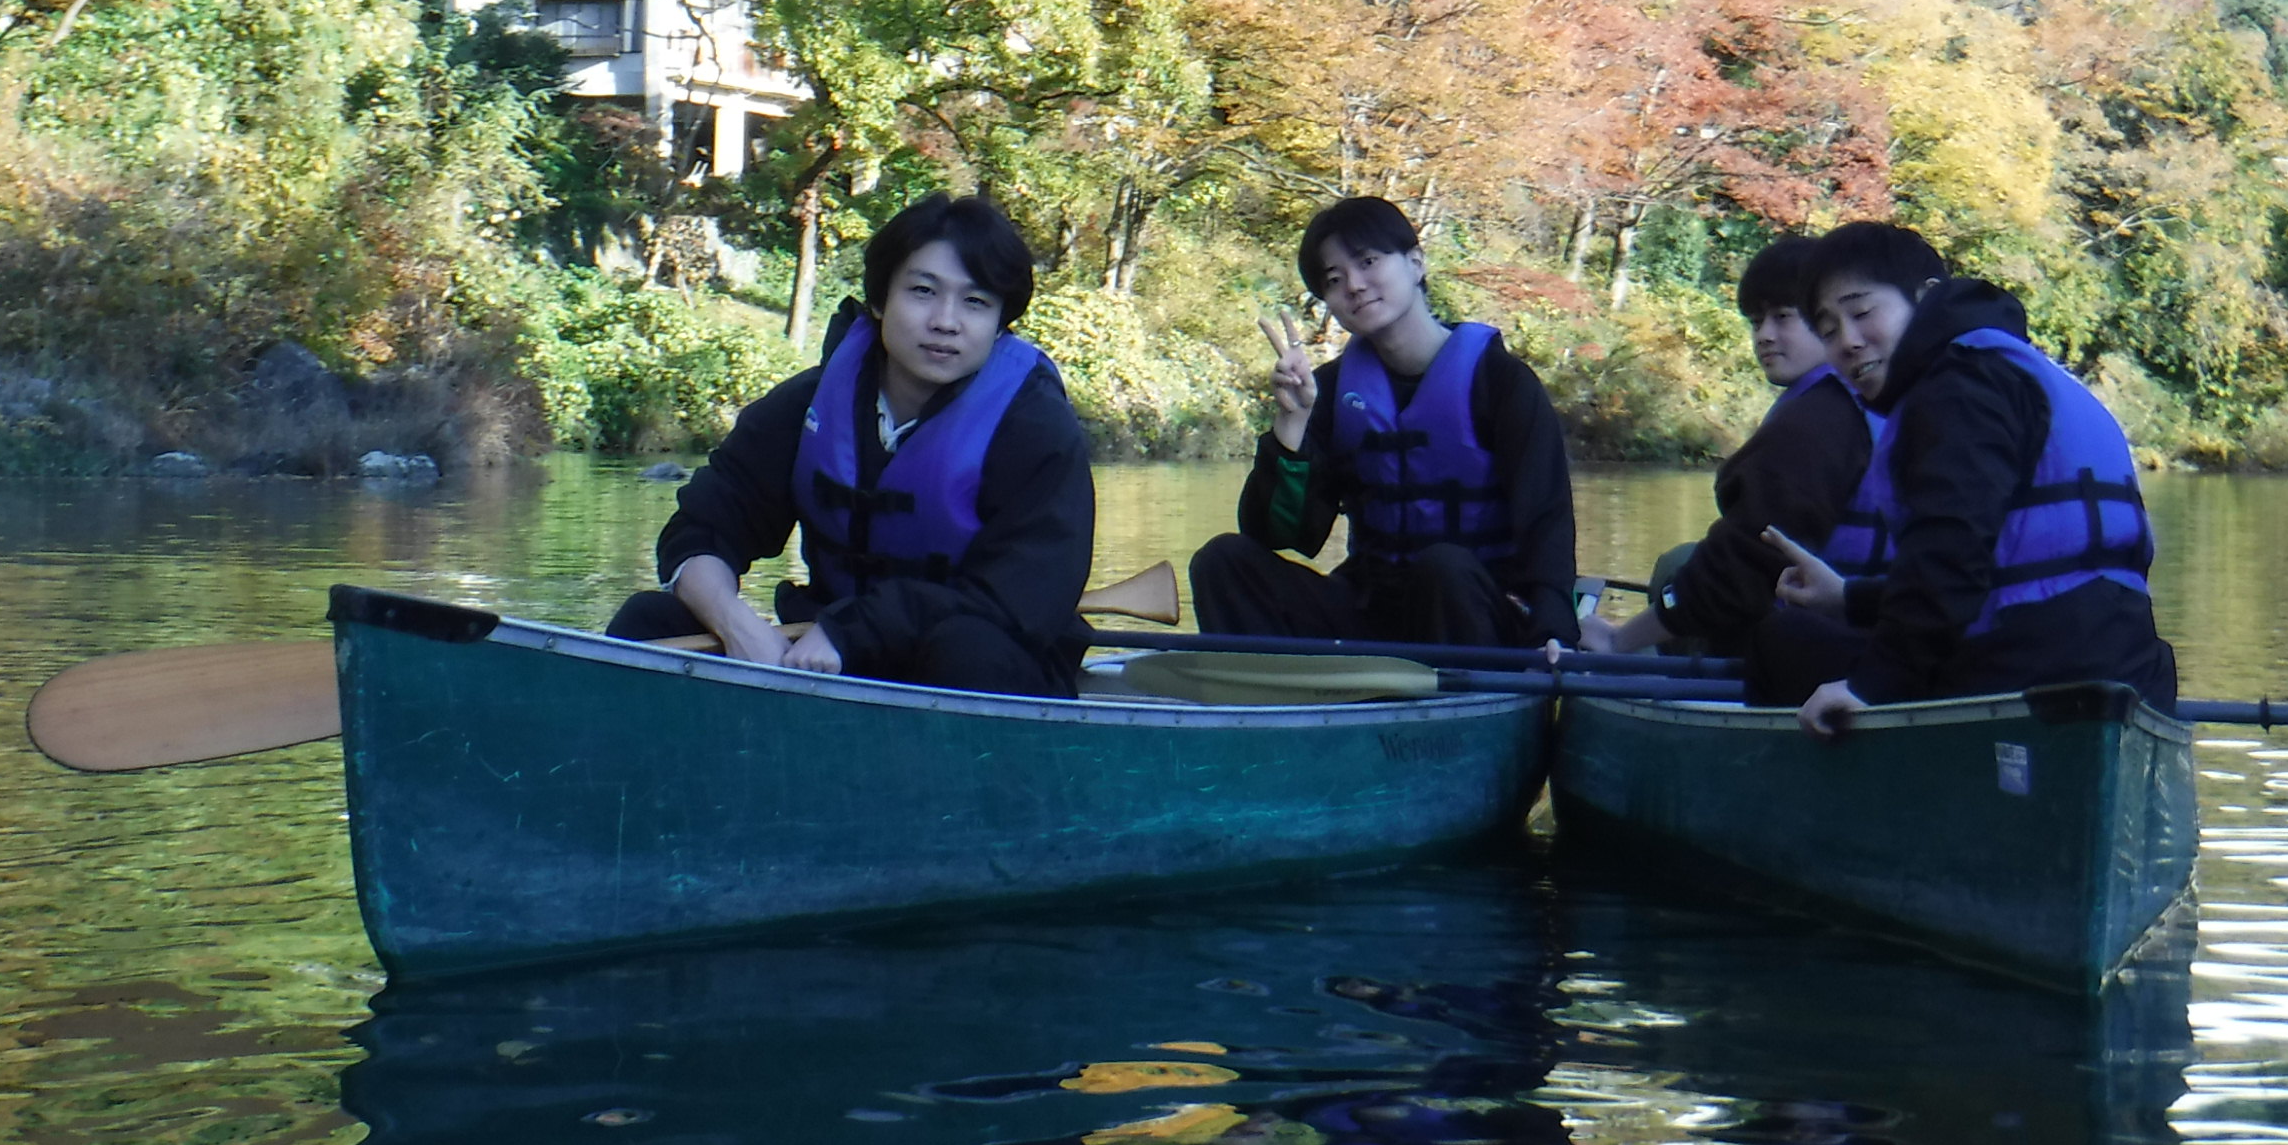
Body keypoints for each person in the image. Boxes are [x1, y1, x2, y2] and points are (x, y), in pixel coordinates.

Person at [603, 192, 1093, 696]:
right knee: (651, 620)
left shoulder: (1035, 427)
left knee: (968, 649)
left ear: (999, 322)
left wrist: (856, 630)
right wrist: (737, 626)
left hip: (976, 661)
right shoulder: (807, 405)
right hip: (822, 647)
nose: (946, 322)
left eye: (975, 302)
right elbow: (700, 532)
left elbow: (1021, 599)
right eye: (923, 291)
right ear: (880, 301)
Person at [1765, 220, 2177, 738]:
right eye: (1827, 331)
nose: (1848, 341)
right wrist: (1851, 599)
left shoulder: (1959, 386)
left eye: (1863, 312)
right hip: (2127, 664)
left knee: (1785, 640)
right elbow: (1985, 566)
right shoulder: (2009, 365)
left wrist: (1870, 687)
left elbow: (1951, 549)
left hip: (2027, 669)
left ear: (1925, 297)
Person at [1192, 196, 1577, 648]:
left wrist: (1554, 629)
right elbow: (1275, 535)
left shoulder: (1501, 381)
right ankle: (1267, 686)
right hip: (1371, 607)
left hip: (1475, 609)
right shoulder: (1328, 391)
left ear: (1415, 263)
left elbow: (1547, 516)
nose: (1354, 286)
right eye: (1334, 279)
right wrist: (1291, 427)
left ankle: (1464, 689)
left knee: (1443, 568)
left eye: (1368, 262)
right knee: (1222, 560)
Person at [1582, 232, 1872, 704]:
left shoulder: (1813, 423)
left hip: (1815, 644)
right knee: (1679, 562)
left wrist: (1621, 640)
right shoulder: (1864, 400)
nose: (1764, 336)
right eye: (1756, 321)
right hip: (1857, 629)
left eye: (1783, 317)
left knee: (1683, 572)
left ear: (1826, 320)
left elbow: (1736, 574)